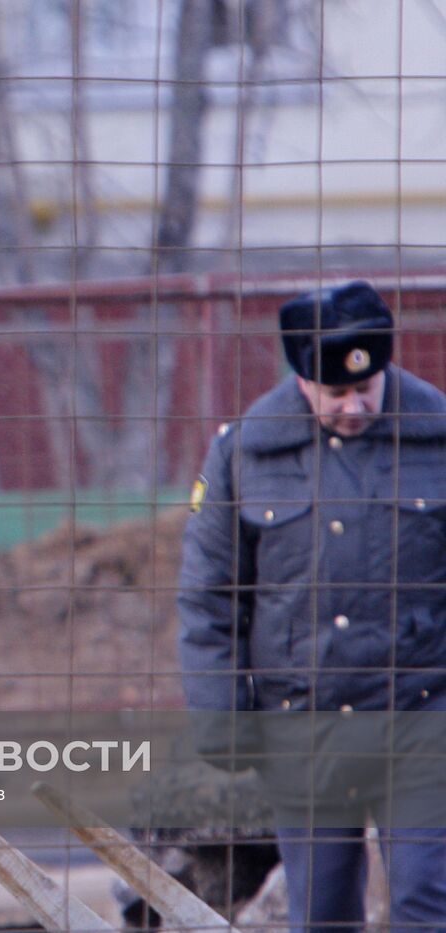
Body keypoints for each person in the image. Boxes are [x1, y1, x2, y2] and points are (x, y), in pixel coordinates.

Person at [178, 280, 446, 932]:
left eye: (367, 387)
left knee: (424, 900)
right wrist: (223, 717)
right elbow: (211, 595)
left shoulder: (438, 439)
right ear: (302, 381)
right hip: (302, 721)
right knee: (321, 913)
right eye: (336, 393)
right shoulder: (243, 452)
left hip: (422, 713)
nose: (355, 404)